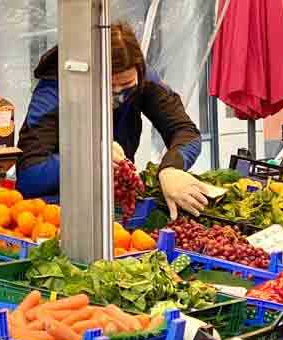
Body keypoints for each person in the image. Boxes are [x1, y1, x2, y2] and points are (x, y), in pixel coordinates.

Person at [16, 22, 215, 219]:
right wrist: (87, 156)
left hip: (117, 202)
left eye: (126, 85)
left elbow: (185, 131)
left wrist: (171, 168)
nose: (117, 95)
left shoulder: (144, 78)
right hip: (56, 211)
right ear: (87, 73)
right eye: (108, 86)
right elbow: (29, 176)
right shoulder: (54, 91)